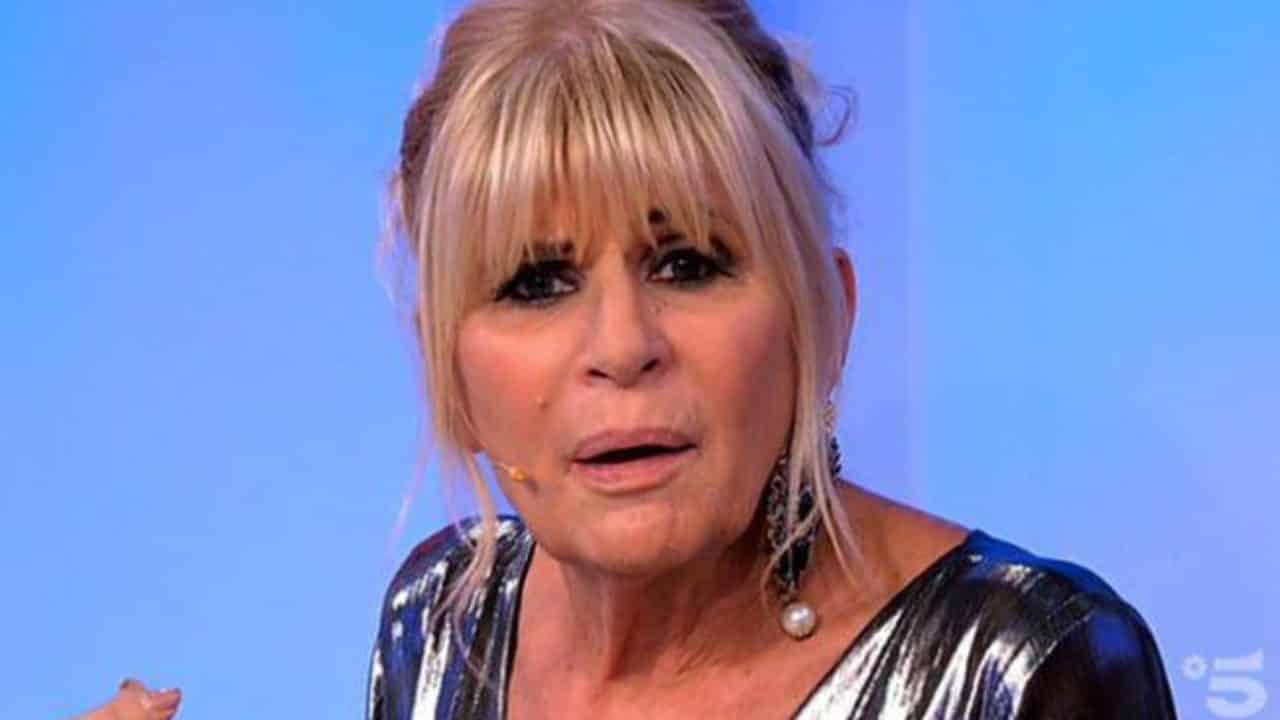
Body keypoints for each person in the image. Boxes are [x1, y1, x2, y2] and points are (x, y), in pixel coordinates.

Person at [367, 0, 1178, 718]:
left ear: (823, 318)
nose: (622, 347)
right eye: (537, 283)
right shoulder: (439, 623)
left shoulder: (1022, 668)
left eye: (687, 264)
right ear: (449, 373)